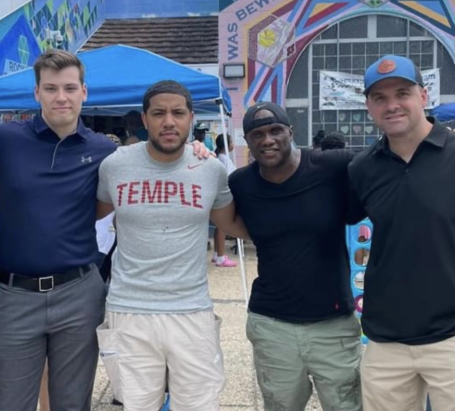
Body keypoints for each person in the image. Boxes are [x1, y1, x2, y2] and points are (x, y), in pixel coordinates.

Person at [0, 49, 117, 411]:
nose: (62, 97)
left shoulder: (104, 150)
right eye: (51, 88)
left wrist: (197, 149)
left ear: (84, 92)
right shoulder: (0, 139)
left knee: (72, 404)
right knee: (11, 403)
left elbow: (157, 160)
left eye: (70, 88)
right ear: (37, 93)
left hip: (79, 292)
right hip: (15, 296)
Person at [348, 55, 455, 411]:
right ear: (369, 106)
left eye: (402, 93)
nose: (392, 105)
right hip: (386, 342)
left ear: (423, 95)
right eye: (380, 98)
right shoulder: (363, 168)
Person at [96, 80, 248, 411]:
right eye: (159, 113)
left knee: (198, 405)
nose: (169, 121)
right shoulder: (115, 165)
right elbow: (95, 218)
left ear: (191, 118)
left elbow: (230, 225)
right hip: (129, 310)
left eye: (178, 113)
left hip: (191, 310)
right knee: (137, 405)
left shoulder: (209, 169)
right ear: (144, 119)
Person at [228, 101, 362, 411]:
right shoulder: (241, 183)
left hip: (333, 324)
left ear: (291, 131)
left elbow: (386, 164)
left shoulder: (332, 166)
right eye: (257, 134)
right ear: (247, 141)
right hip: (272, 323)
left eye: (275, 130)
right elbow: (226, 218)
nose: (268, 140)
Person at [211, 133, 237, 267]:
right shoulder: (224, 160)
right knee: (222, 225)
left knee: (219, 226)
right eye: (231, 141)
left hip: (220, 195)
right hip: (224, 196)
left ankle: (217, 253)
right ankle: (220, 257)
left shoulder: (221, 158)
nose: (233, 144)